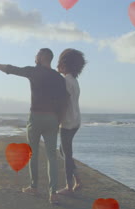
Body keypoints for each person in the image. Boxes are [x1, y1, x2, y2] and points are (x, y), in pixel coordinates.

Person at [0, 48, 69, 203]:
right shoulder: (58, 77)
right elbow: (65, 101)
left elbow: (11, 69)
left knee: (33, 154)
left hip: (36, 117)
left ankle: (34, 187)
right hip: (52, 119)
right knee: (52, 157)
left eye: (37, 55)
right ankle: (53, 193)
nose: (35, 57)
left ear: (42, 57)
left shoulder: (34, 71)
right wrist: (59, 120)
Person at [55, 48, 86, 195]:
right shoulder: (74, 81)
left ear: (65, 65)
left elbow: (64, 103)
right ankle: (78, 180)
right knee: (63, 150)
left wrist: (57, 121)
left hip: (67, 122)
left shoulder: (65, 81)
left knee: (66, 154)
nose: (57, 65)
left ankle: (69, 187)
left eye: (60, 62)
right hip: (76, 120)